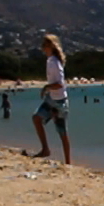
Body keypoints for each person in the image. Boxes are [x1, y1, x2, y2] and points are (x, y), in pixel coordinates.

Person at [31, 33, 71, 164]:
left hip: (59, 102)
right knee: (37, 118)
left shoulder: (54, 62)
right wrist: (48, 90)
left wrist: (46, 87)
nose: (42, 48)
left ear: (50, 46)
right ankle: (45, 149)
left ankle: (68, 162)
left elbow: (60, 84)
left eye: (44, 45)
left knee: (62, 133)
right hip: (52, 99)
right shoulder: (50, 61)